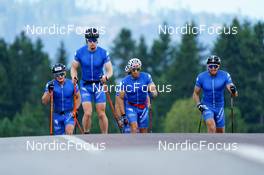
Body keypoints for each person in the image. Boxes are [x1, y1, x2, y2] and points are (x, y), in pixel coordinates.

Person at [71, 28, 113, 134]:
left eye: (94, 40)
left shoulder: (103, 53)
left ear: (97, 41)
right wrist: (74, 77)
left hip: (99, 85)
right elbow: (73, 67)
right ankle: (86, 133)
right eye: (90, 40)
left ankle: (105, 135)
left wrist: (106, 77)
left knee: (101, 113)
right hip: (85, 85)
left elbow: (110, 70)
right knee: (88, 113)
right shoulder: (80, 52)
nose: (92, 43)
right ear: (86, 41)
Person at [193, 55, 238, 133]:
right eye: (211, 66)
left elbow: (235, 94)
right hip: (206, 106)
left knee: (220, 133)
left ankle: (217, 144)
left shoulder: (225, 75)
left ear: (219, 66)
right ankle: (210, 145)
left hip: (219, 107)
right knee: (211, 126)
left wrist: (233, 91)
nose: (213, 68)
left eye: (215, 66)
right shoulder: (201, 77)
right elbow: (195, 93)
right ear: (207, 66)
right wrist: (198, 104)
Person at [119, 58, 157, 133]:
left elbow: (152, 87)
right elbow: (120, 98)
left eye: (138, 69)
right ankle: (134, 144)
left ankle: (142, 145)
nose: (136, 71)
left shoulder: (146, 76)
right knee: (134, 127)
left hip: (143, 107)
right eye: (133, 70)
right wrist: (123, 115)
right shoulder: (125, 81)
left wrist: (154, 92)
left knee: (144, 131)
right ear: (130, 69)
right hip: (131, 107)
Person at [42, 63, 81, 135]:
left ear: (65, 73)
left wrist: (76, 110)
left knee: (69, 132)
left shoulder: (72, 83)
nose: (60, 76)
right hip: (57, 114)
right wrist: (49, 92)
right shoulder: (50, 84)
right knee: (60, 138)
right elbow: (44, 101)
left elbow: (78, 97)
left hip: (69, 113)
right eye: (57, 75)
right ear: (54, 76)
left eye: (62, 74)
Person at [115, 65, 131, 133]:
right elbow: (117, 105)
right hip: (126, 117)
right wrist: (119, 119)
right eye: (128, 73)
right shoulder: (121, 86)